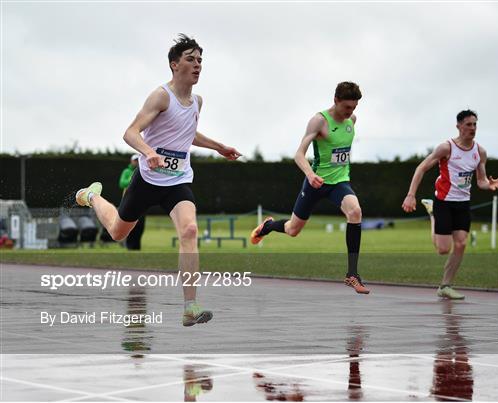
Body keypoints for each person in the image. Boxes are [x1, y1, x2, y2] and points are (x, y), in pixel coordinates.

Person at [75, 34, 241, 326]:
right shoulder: (161, 96)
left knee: (189, 230)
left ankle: (190, 307)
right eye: (191, 59)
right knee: (117, 232)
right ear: (174, 65)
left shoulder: (197, 102)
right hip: (148, 179)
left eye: (200, 60)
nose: (197, 65)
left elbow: (186, 133)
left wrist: (218, 147)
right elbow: (130, 132)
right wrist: (149, 152)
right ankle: (92, 196)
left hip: (177, 181)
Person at [250, 82, 369, 294]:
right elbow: (299, 154)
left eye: (354, 107)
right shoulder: (319, 121)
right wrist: (310, 174)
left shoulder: (352, 120)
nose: (350, 112)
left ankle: (352, 274)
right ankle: (267, 227)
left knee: (356, 211)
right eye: (347, 107)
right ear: (336, 100)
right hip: (316, 183)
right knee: (292, 230)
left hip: (340, 183)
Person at [401, 110, 498, 299]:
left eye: (475, 124)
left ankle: (445, 285)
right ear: (459, 126)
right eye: (468, 124)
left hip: (463, 204)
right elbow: (421, 167)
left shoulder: (480, 152)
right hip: (444, 202)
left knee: (461, 243)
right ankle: (432, 214)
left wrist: (489, 185)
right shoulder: (446, 148)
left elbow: (480, 181)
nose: (472, 128)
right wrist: (410, 195)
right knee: (443, 249)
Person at [119, 154, 145, 250]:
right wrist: (134, 179)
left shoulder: (144, 170)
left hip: (142, 201)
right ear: (131, 161)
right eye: (135, 160)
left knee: (140, 226)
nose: (137, 162)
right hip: (129, 201)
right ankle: (129, 246)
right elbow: (122, 183)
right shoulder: (127, 171)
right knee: (129, 225)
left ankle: (137, 247)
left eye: (138, 160)